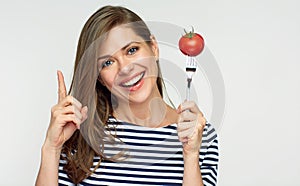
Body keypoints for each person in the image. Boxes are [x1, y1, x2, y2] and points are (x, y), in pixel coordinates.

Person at [35, 5, 218, 186]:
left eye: (131, 50)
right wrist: (51, 148)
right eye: (108, 62)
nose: (125, 69)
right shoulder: (79, 135)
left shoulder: (200, 135)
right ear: (99, 77)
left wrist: (191, 155)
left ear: (153, 47)